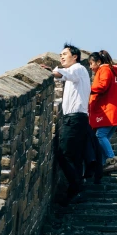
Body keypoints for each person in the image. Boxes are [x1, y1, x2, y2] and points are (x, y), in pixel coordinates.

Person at [44, 43, 92, 205]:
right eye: (60, 55)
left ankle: (76, 187)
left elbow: (62, 74)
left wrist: (52, 71)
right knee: (74, 156)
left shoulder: (78, 69)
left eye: (65, 54)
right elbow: (64, 75)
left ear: (75, 57)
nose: (62, 57)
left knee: (64, 154)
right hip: (77, 118)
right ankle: (75, 191)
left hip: (75, 119)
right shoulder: (77, 73)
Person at [88, 50, 117, 173]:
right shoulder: (109, 70)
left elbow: (103, 85)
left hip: (108, 111)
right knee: (103, 138)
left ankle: (111, 160)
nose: (90, 67)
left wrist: (86, 89)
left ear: (98, 62)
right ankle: (106, 164)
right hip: (113, 111)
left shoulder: (104, 69)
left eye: (91, 63)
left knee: (100, 136)